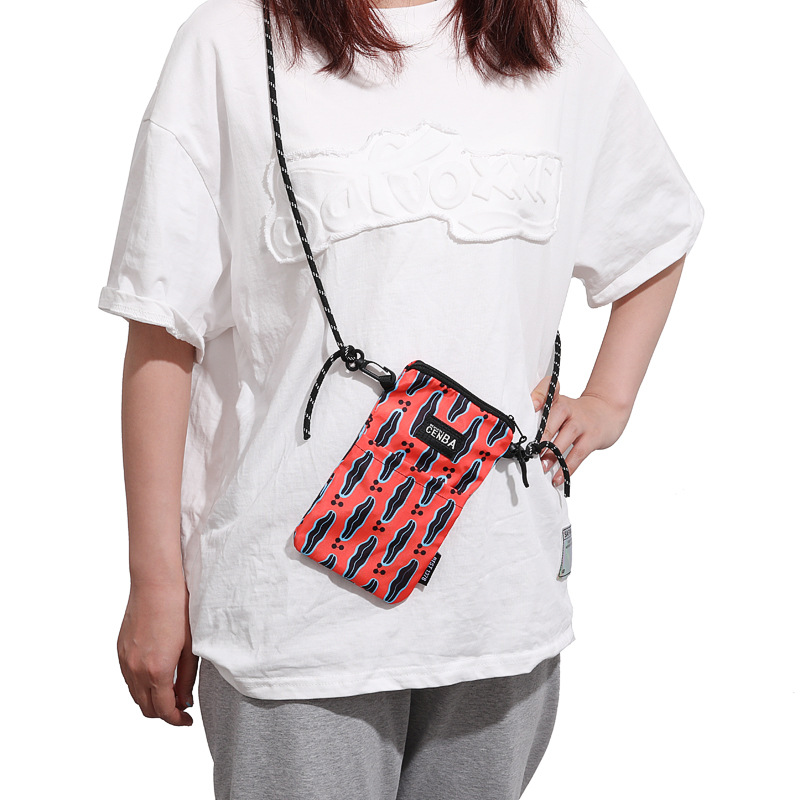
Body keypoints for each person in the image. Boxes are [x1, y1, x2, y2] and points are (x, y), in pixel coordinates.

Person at [98, 0, 704, 797]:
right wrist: (155, 583)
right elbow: (163, 328)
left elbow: (656, 228)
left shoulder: (549, 32)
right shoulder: (231, 42)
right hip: (293, 619)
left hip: (499, 604)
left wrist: (608, 401)